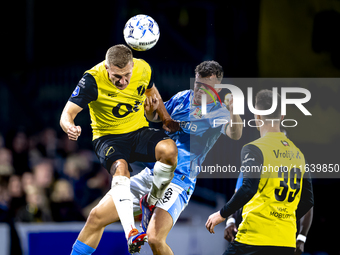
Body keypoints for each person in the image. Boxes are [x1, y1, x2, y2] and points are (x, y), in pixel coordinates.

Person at [60, 44, 179, 254]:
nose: (123, 82)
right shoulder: (91, 80)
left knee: (169, 150)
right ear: (106, 68)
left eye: (127, 75)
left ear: (133, 66)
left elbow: (152, 91)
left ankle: (150, 202)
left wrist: (165, 118)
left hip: (138, 132)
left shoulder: (143, 68)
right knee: (120, 169)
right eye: (117, 76)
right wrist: (70, 126)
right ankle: (131, 232)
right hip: (109, 138)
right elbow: (66, 114)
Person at [135, 60, 243, 254]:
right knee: (99, 213)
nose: (200, 90)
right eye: (197, 85)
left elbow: (235, 134)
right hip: (155, 170)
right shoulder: (183, 97)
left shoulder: (218, 112)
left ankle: (148, 204)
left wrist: (235, 112)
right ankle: (147, 204)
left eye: (206, 87)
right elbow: (156, 117)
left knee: (154, 238)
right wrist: (150, 109)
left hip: (179, 179)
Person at [205, 89, 314, 255]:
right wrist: (284, 219)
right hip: (285, 242)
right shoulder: (298, 154)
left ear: (257, 116)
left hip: (253, 240)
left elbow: (248, 187)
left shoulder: (255, 149)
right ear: (282, 116)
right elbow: (308, 200)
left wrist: (221, 214)